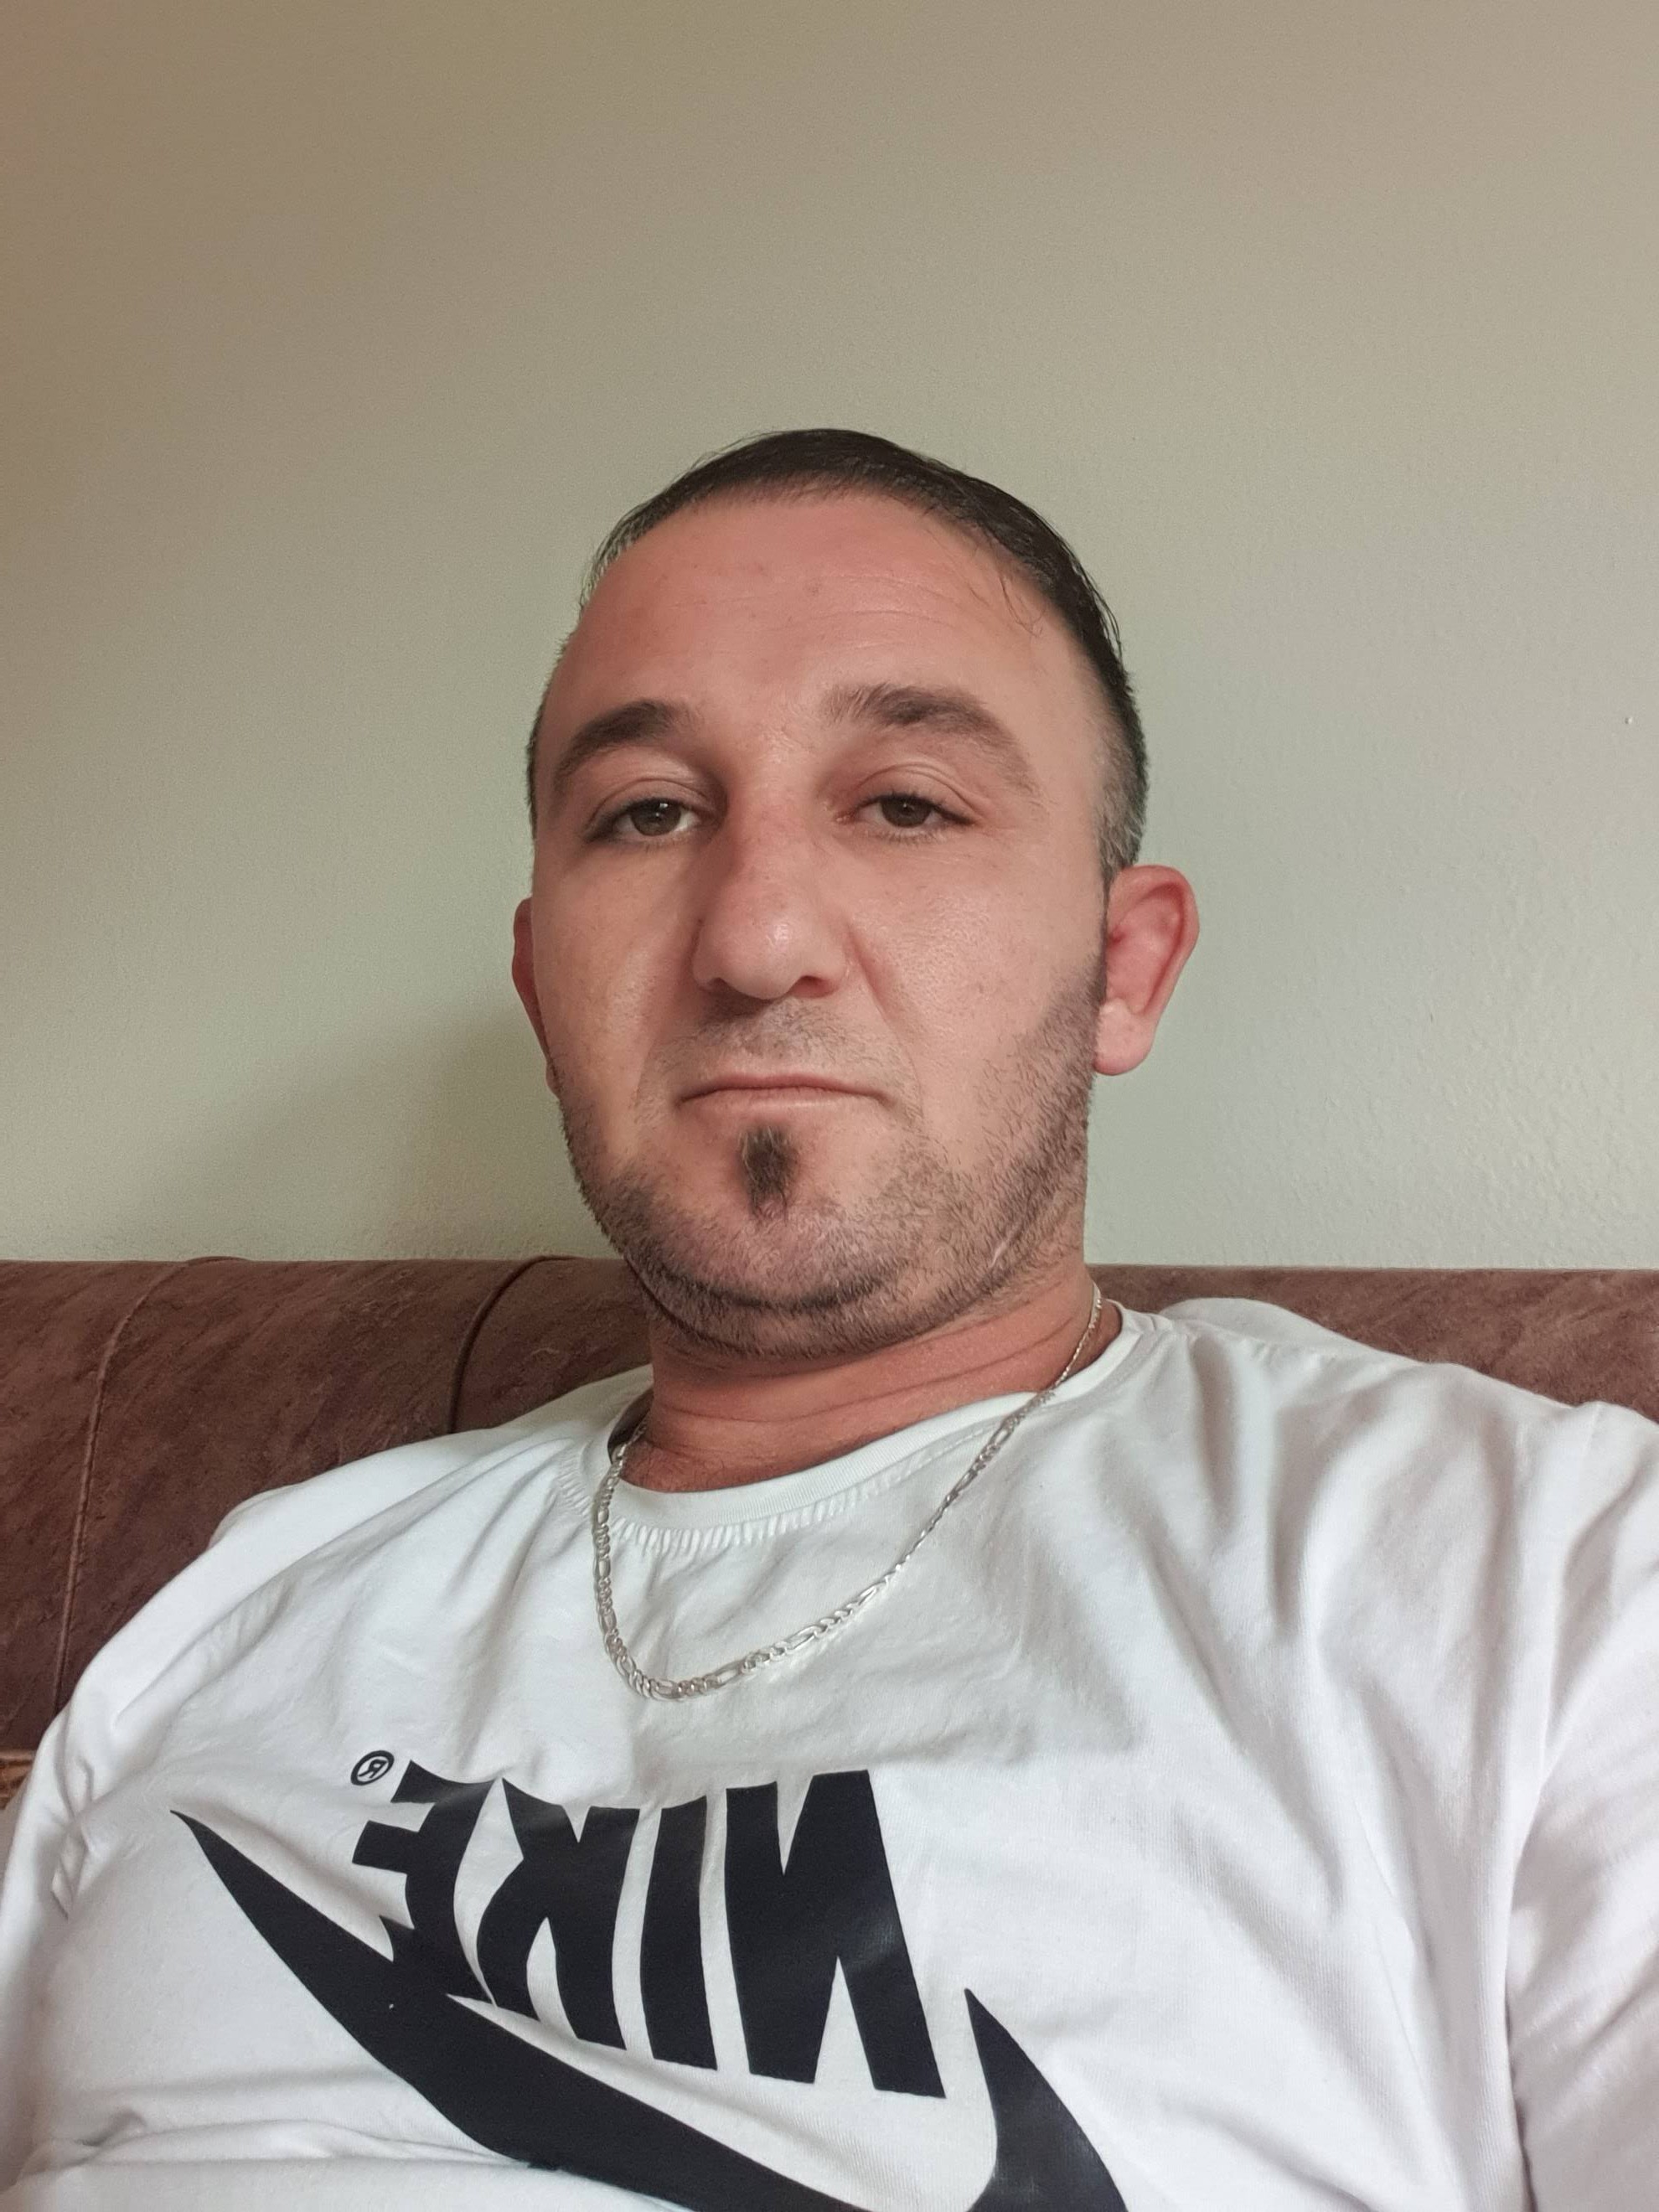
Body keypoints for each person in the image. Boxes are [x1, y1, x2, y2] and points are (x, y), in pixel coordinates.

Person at [1, 428, 1656, 2211]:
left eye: (906, 804)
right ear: (543, 984)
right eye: (649, 813)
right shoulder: (247, 1608)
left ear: (1125, 965)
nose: (758, 936)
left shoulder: (1536, 1574)